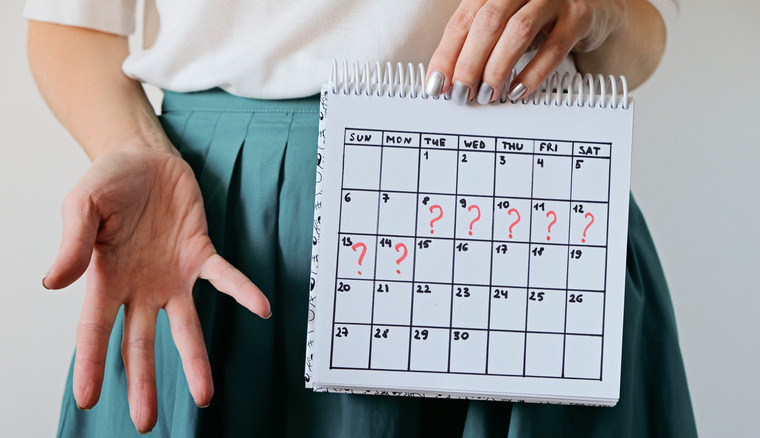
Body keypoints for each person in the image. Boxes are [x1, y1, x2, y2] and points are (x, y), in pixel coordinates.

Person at [25, 0, 696, 436]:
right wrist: (131, 146)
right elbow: (67, 21)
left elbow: (641, 39)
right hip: (221, 225)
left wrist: (596, 10)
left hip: (525, 219)